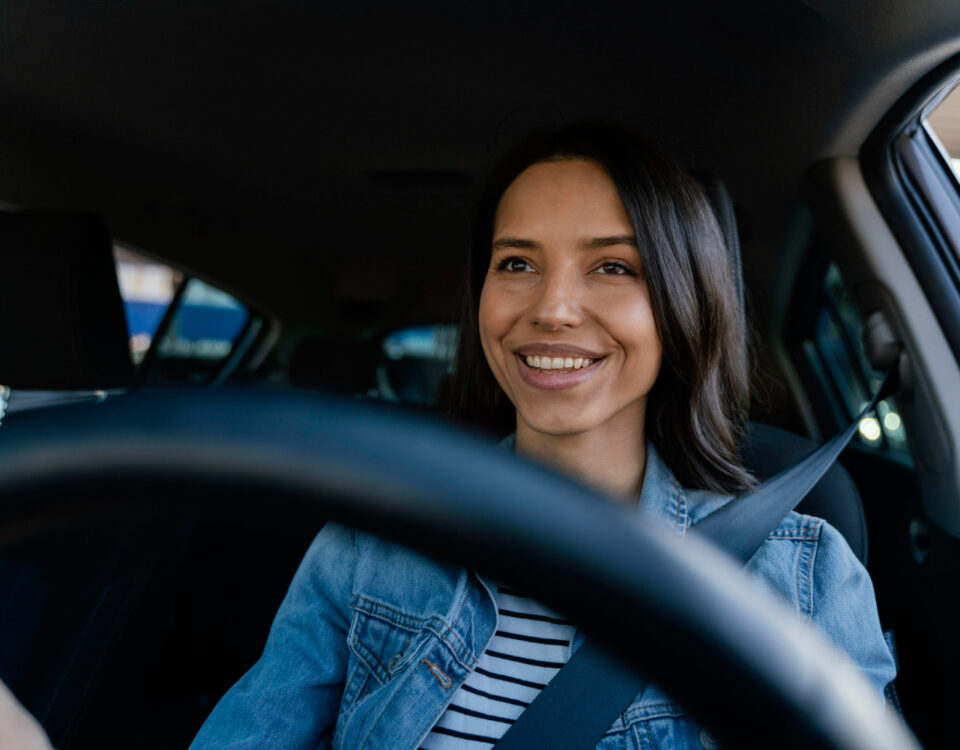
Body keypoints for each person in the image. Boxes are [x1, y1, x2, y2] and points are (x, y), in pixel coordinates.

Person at [190, 124, 896, 749]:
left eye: (613, 267)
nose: (552, 310)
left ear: (681, 304)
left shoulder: (802, 581)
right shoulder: (370, 542)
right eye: (517, 264)